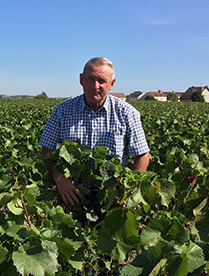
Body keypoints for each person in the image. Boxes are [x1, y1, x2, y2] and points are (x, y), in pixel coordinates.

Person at [39, 57, 150, 209]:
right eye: (90, 79)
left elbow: (142, 155)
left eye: (102, 81)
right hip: (71, 196)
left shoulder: (127, 113)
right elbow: (47, 149)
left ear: (112, 84)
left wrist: (128, 189)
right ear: (81, 80)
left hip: (113, 197)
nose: (95, 86)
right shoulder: (62, 111)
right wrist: (59, 179)